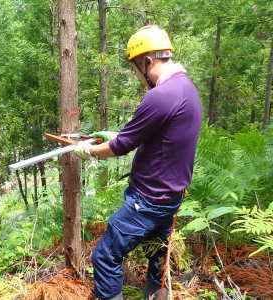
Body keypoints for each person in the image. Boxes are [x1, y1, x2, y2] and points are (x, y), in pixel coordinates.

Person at [75, 25, 202, 300]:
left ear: (147, 61)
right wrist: (113, 136)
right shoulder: (186, 89)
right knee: (158, 254)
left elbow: (121, 147)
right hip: (170, 197)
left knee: (105, 257)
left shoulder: (161, 95)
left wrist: (89, 152)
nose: (137, 76)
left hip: (147, 201)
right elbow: (153, 135)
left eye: (135, 68)